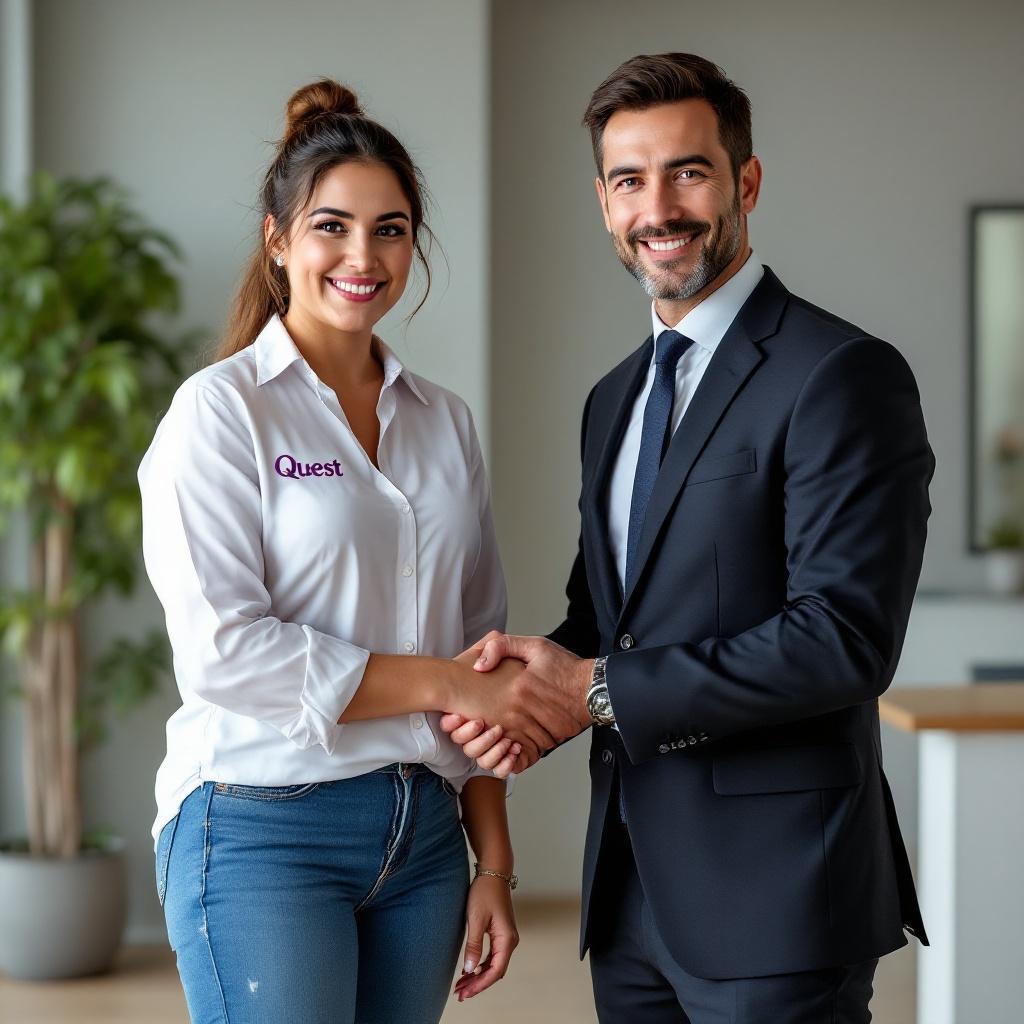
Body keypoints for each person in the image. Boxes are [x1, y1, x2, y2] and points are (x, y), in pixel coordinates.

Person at [443, 52, 934, 1023]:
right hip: (628, 892)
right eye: (629, 179)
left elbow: (841, 639)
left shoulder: (840, 375)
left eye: (688, 171)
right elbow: (607, 619)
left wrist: (586, 691)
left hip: (779, 897)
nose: (657, 206)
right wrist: (511, 696)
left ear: (745, 181)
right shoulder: (614, 399)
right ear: (603, 202)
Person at [140, 78, 523, 1023]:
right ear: (278, 240)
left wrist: (497, 864)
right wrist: (446, 684)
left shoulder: (446, 423)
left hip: (425, 837)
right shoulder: (221, 412)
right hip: (263, 824)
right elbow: (226, 651)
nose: (363, 256)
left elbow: (479, 645)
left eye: (390, 230)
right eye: (331, 227)